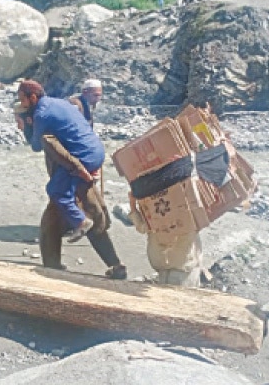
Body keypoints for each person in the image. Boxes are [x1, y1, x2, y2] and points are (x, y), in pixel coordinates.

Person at [15, 80, 126, 279]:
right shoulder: (59, 105)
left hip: (74, 176)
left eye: (23, 103)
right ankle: (54, 265)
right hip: (81, 167)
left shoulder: (45, 125)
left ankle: (115, 266)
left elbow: (43, 148)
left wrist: (81, 170)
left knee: (86, 220)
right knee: (55, 221)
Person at [127, 193, 203, 287]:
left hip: (178, 269)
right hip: (183, 266)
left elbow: (142, 227)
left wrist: (132, 205)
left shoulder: (156, 212)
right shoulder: (188, 209)